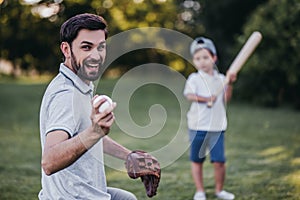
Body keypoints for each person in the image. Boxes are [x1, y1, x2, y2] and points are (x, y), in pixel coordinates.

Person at [38, 13, 137, 200]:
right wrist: (95, 132)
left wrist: (129, 156)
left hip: (87, 191)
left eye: (101, 47)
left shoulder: (81, 84)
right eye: (86, 47)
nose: (96, 55)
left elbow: (84, 134)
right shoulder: (66, 95)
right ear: (66, 49)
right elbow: (49, 161)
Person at [183, 37, 236, 200]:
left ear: (214, 58)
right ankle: (200, 191)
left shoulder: (221, 79)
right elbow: (189, 95)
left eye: (206, 57)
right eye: (198, 59)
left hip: (217, 127)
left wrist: (230, 84)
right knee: (197, 160)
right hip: (198, 126)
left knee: (219, 161)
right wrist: (207, 99)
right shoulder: (194, 78)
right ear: (194, 61)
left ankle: (219, 190)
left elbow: (227, 98)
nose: (202, 62)